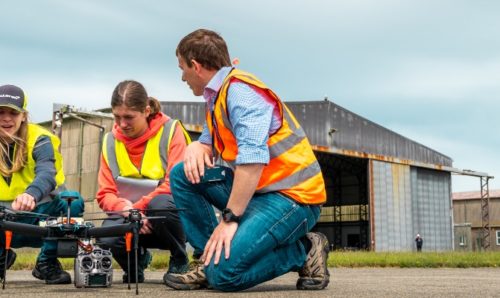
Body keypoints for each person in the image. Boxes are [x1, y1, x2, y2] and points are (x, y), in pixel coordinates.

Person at [163, 29, 330, 292]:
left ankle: (305, 249)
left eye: (182, 68)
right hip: (259, 193)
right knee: (183, 174)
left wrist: (229, 219)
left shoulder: (241, 93)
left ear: (195, 66)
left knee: (225, 276)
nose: (182, 76)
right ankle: (207, 258)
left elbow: (252, 162)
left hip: (293, 199)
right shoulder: (217, 95)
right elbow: (210, 140)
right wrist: (197, 144)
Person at [96, 80, 191, 283]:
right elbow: (105, 194)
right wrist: (127, 210)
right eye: (117, 117)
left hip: (170, 218)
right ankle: (135, 262)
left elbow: (175, 184)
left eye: (129, 117)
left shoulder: (171, 131)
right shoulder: (110, 141)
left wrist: (137, 211)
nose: (122, 124)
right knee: (106, 235)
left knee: (162, 205)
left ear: (146, 111)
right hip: (132, 217)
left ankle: (180, 259)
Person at [0, 84, 84, 284]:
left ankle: (46, 262)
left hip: (40, 217)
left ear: (23, 116)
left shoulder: (41, 139)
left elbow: (47, 172)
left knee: (72, 201)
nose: (6, 118)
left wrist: (31, 194)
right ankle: (2, 257)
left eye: (13, 112)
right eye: (1, 112)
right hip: (4, 221)